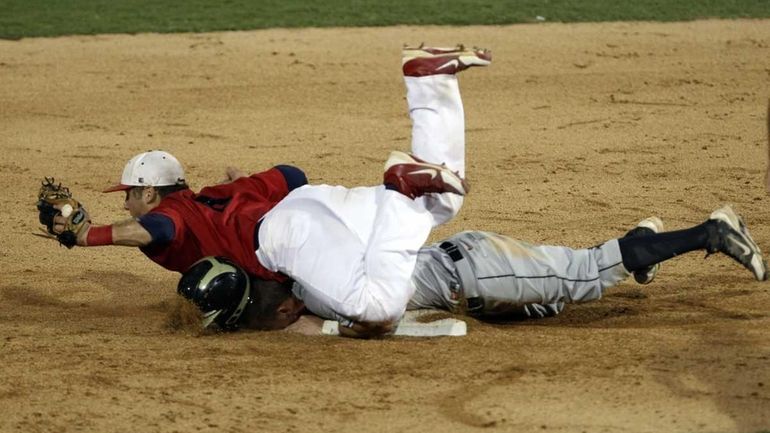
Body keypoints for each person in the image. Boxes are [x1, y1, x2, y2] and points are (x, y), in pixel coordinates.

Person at [41, 44, 491, 337]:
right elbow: (292, 174)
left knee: (375, 308)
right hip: (316, 203)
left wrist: (86, 236)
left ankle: (400, 187)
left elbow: (152, 230)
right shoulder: (221, 194)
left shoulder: (172, 217)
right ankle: (429, 80)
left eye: (131, 194)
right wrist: (243, 187)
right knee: (442, 202)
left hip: (287, 237)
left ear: (153, 194)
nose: (127, 203)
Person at [202, 204, 766, 334]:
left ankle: (710, 232)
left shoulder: (325, 298)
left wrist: (322, 330)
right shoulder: (307, 269)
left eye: (260, 316)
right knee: (551, 302)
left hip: (478, 272)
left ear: (286, 303)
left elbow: (381, 327)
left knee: (588, 274)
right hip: (470, 266)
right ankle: (643, 241)